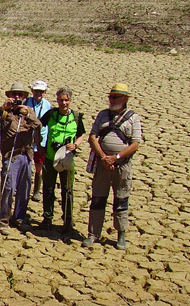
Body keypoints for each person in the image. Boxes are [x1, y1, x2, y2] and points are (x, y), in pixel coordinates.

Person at [83, 83, 142, 250]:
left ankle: (121, 235)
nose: (111, 100)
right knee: (98, 199)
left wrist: (115, 158)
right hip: (103, 165)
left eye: (115, 97)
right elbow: (92, 137)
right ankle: (93, 233)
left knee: (121, 199)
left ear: (124, 99)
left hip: (121, 166)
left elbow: (135, 144)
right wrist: (104, 158)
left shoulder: (132, 118)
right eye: (110, 96)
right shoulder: (102, 115)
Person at [0, 82, 41, 235]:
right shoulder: (4, 112)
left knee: (24, 189)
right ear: (9, 96)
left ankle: (20, 218)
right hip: (11, 157)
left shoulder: (29, 111)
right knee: (8, 188)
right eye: (14, 94)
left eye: (20, 95)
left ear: (24, 97)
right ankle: (3, 220)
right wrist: (2, 109)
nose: (17, 97)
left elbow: (38, 126)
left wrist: (27, 115)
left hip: (26, 156)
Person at [38, 87, 85, 235]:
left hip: (67, 160)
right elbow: (37, 126)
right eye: (61, 100)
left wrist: (75, 145)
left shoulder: (76, 117)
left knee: (67, 191)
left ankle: (68, 221)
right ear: (57, 101)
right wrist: (39, 144)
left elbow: (81, 135)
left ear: (70, 101)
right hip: (50, 158)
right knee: (48, 189)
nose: (63, 103)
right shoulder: (51, 114)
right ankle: (47, 219)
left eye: (66, 100)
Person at [25, 81, 52, 202]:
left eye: (41, 91)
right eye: (36, 91)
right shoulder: (26, 102)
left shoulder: (48, 105)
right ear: (32, 91)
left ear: (45, 93)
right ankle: (24, 188)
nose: (38, 93)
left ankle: (36, 190)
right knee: (26, 163)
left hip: (41, 139)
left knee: (39, 165)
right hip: (27, 138)